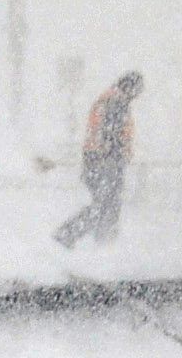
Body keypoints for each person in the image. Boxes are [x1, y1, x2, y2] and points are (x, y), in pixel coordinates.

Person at [56, 71, 143, 247]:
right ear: (130, 88)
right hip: (106, 163)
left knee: (103, 206)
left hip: (96, 161)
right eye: (137, 91)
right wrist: (116, 158)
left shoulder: (108, 100)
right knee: (106, 206)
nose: (137, 96)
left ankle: (82, 238)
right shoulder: (116, 103)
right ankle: (96, 242)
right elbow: (111, 136)